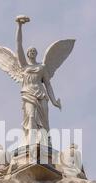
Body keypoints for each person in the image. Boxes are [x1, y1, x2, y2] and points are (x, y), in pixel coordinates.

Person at [15, 16, 61, 145]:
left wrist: (53, 101)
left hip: (41, 95)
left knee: (44, 121)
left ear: (36, 54)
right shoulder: (24, 66)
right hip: (28, 94)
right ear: (27, 54)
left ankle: (45, 143)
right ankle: (30, 143)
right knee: (30, 117)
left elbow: (48, 84)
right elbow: (18, 45)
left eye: (34, 51)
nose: (32, 52)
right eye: (30, 51)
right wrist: (19, 26)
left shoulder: (42, 67)